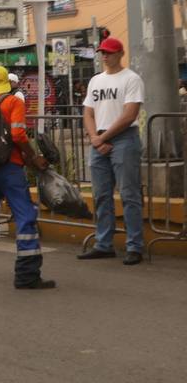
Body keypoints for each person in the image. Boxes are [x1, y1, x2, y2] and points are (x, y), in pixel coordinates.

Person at [0, 66, 55, 289]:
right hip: (10, 166)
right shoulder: (14, 102)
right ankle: (27, 274)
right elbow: (18, 134)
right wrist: (33, 157)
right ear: (7, 81)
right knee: (24, 215)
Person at [78, 36, 145, 266]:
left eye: (109, 52)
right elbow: (87, 112)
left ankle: (135, 246)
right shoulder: (96, 81)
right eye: (102, 53)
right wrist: (96, 138)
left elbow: (129, 115)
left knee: (129, 194)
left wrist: (101, 139)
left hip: (123, 138)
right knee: (101, 195)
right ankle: (103, 244)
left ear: (120, 54)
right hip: (100, 137)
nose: (105, 56)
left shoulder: (131, 79)